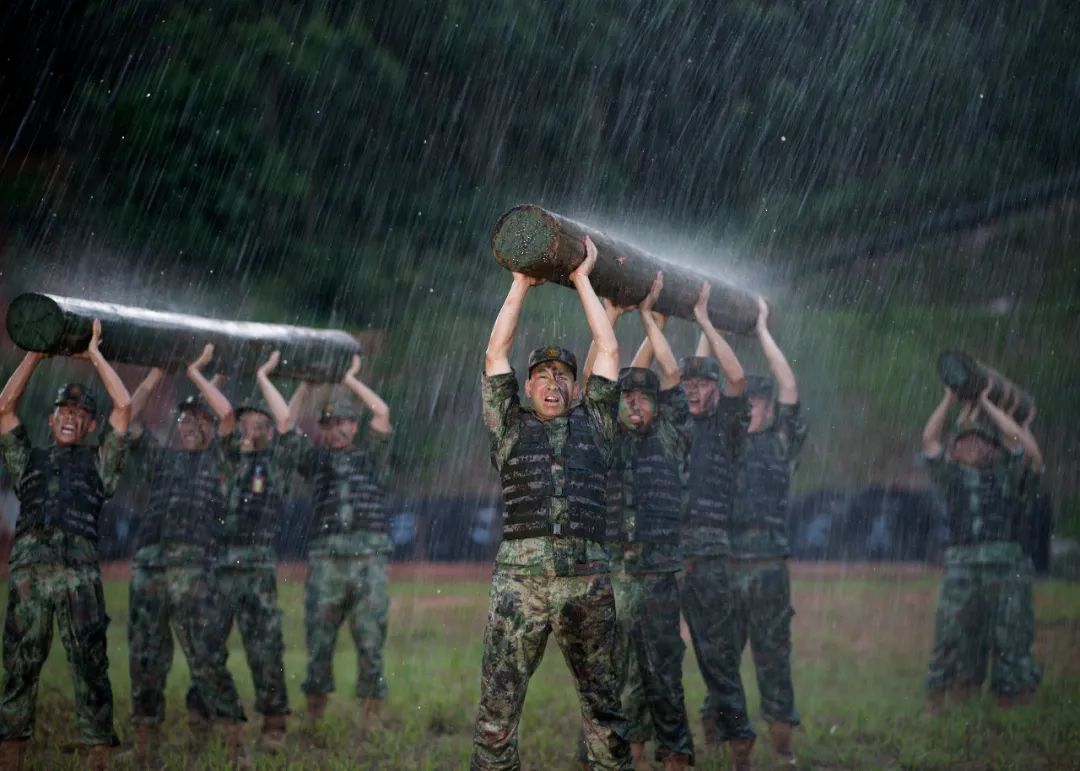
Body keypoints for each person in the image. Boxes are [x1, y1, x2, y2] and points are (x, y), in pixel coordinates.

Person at [472, 235, 631, 770]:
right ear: (528, 386)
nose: (552, 384)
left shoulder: (597, 425)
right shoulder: (509, 428)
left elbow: (608, 352)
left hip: (588, 582)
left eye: (563, 377)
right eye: (541, 376)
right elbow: (496, 354)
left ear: (574, 388)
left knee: (605, 707)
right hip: (520, 584)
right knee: (498, 708)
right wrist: (520, 284)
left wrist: (583, 278)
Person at [0, 321, 131, 771]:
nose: (71, 417)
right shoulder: (28, 459)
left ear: (90, 424)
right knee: (19, 668)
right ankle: (10, 757)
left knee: (90, 669)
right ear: (52, 419)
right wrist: (36, 355)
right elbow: (4, 407)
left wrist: (94, 353)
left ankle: (98, 758)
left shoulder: (101, 463)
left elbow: (125, 406)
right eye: (64, 411)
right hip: (28, 578)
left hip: (79, 578)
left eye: (80, 413)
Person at [586, 273, 694, 771]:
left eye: (643, 398)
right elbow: (595, 382)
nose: (634, 402)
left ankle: (672, 757)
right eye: (627, 398)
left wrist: (651, 317)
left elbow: (670, 378)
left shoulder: (670, 439)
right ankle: (624, 759)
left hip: (657, 581)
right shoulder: (605, 438)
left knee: (664, 677)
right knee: (616, 680)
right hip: (613, 578)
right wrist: (611, 316)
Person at [125, 345, 247, 766]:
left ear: (210, 428)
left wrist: (194, 374)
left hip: (195, 572)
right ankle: (145, 753)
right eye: (185, 418)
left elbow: (228, 416)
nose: (191, 424)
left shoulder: (222, 460)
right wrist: (157, 373)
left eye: (200, 419)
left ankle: (235, 749)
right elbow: (126, 417)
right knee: (145, 661)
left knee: (208, 661)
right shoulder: (160, 459)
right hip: (149, 569)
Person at [185, 351, 299, 748]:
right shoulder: (226, 459)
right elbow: (224, 415)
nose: (252, 428)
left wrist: (264, 376)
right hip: (219, 566)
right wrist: (199, 374)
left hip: (258, 568)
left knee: (266, 648)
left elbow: (286, 421)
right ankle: (202, 715)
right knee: (207, 646)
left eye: (259, 423)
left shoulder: (277, 465)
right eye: (247, 422)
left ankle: (273, 725)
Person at [664, 282, 756, 770]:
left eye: (702, 385)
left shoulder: (727, 428)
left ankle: (740, 744)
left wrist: (704, 321)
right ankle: (672, 751)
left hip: (709, 563)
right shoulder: (673, 427)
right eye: (687, 385)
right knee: (659, 661)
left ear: (714, 392)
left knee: (718, 660)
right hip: (665, 561)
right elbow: (656, 377)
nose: (693, 391)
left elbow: (738, 378)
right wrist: (657, 322)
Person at [921, 382, 1040, 714]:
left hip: (1006, 566)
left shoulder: (1007, 472)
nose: (970, 445)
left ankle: (1012, 705)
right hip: (962, 565)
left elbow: (1019, 446)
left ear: (992, 449)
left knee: (1010, 636)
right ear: (954, 449)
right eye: (962, 440)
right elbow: (930, 440)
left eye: (979, 440)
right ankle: (943, 699)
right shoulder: (951, 476)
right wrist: (947, 399)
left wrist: (989, 406)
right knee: (952, 634)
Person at [291, 354, 393, 738]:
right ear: (322, 429)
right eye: (329, 424)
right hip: (327, 562)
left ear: (354, 425)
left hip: (368, 561)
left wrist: (349, 380)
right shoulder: (315, 461)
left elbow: (381, 412)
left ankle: (371, 719)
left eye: (344, 422)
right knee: (319, 642)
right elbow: (285, 424)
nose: (337, 429)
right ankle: (314, 717)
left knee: (371, 642)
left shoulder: (371, 458)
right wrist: (305, 384)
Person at [727, 297, 807, 766]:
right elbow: (715, 381)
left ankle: (782, 749)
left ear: (769, 409)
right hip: (728, 567)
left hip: (770, 569)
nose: (752, 409)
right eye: (747, 402)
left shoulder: (780, 445)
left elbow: (790, 386)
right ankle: (734, 746)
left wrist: (760, 331)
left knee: (773, 658)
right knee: (724, 662)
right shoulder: (722, 446)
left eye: (759, 402)